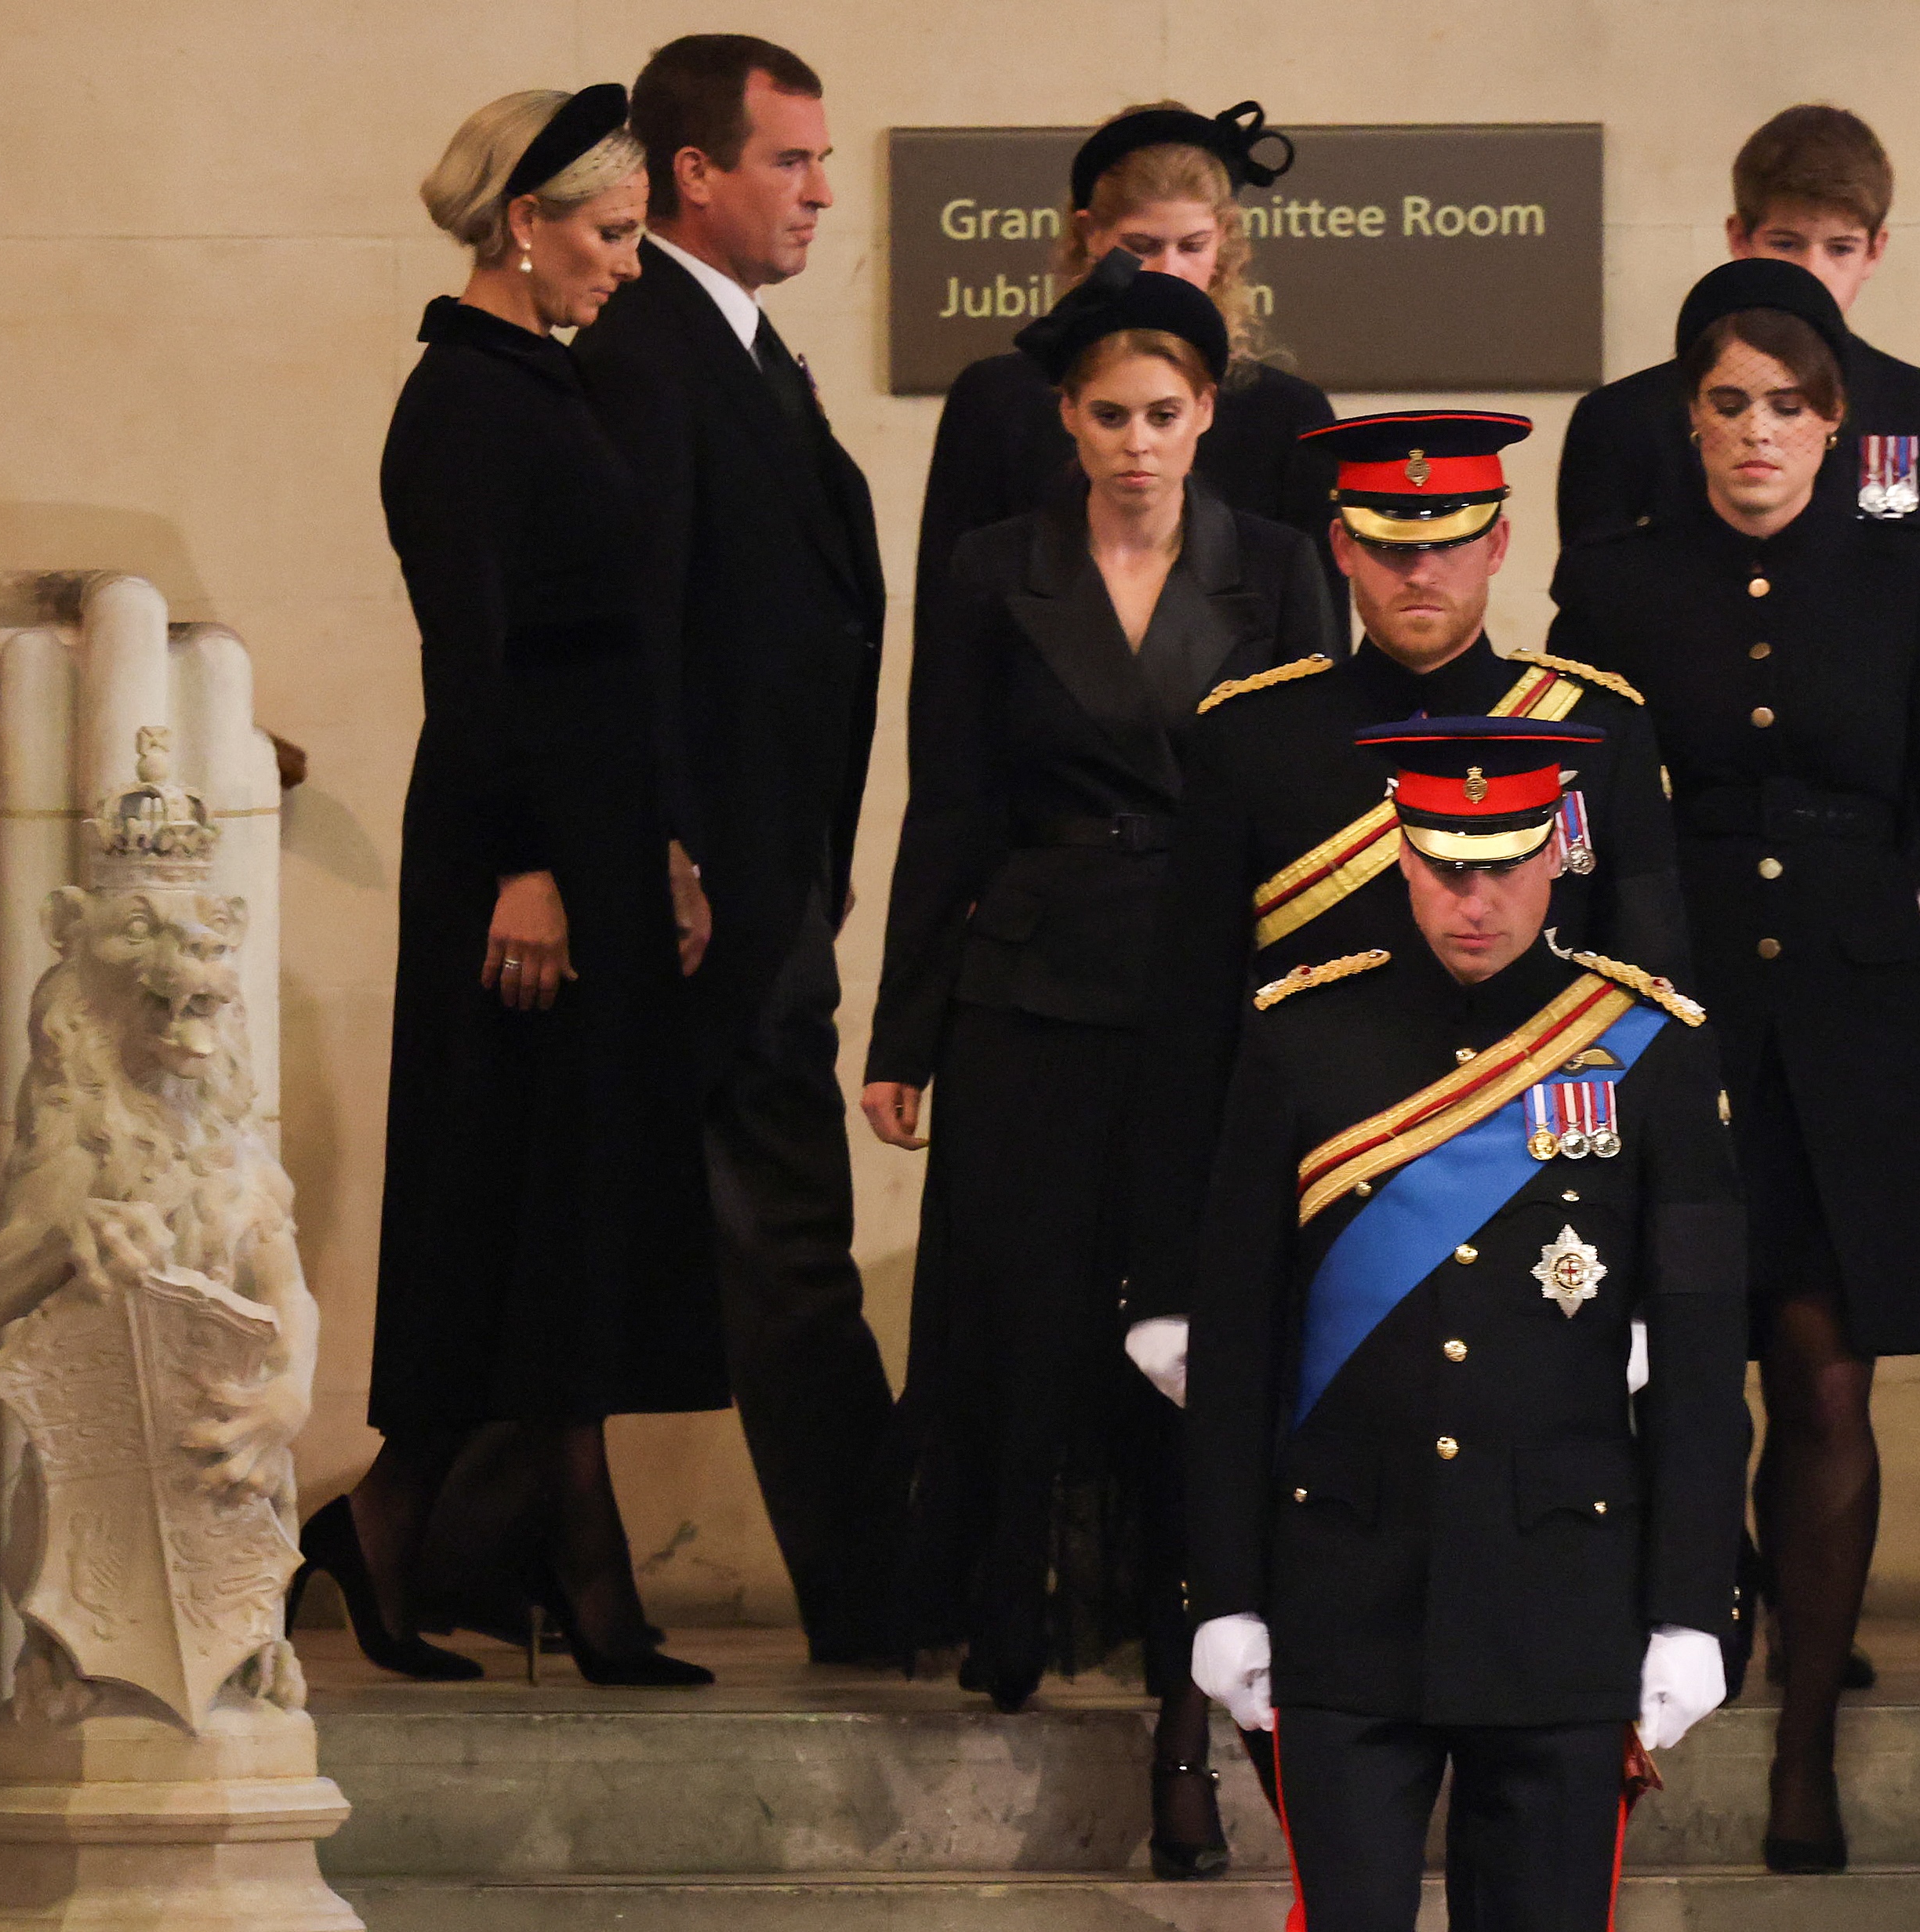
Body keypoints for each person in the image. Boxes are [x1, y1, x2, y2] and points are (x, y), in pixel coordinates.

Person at [857, 256, 1330, 1875]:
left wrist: (1323, 1008)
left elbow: (1313, 805)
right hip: (1034, 984)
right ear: (1065, 417)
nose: (1139, 440)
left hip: (1216, 992)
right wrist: (903, 1029)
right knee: (1026, 1305)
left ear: (1210, 417)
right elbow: (947, 799)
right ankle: (1007, 1615)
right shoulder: (999, 567)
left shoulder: (1274, 566)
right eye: (1111, 413)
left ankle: (1183, 1724)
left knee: (1193, 1338)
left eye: (1168, 413)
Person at [1546, 257, 1920, 1871]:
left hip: (1860, 999)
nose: (1760, 433)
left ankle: (1805, 1746)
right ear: (1691, 424)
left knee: (1823, 1369)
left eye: (1791, 406)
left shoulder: (1905, 573)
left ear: (1835, 425)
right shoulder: (1615, 581)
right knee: (1663, 1359)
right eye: (1731, 405)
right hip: (1667, 1003)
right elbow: (1565, 807)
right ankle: (1672, 1654)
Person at [1185, 716, 1747, 1932]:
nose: (1474, 901)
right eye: (1446, 866)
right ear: (1401, 853)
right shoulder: (1298, 1036)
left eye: (1503, 867)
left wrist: (1694, 1607)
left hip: (1560, 1599)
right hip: (1343, 1589)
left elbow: (1701, 1365)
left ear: (1558, 855)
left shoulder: (1645, 1048)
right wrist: (1223, 1587)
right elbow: (1236, 1343)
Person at [323, 82, 717, 1687]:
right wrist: (533, 865)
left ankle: (535, 1550)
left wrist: (660, 849)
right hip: (518, 853)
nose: (630, 263)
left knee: (566, 1212)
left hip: (592, 844)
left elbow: (606, 654)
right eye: (612, 233)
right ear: (521, 227)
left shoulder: (539, 386)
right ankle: (442, 1532)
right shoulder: (464, 402)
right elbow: (478, 665)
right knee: (508, 1204)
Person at [1123, 411, 1690, 1368]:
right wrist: (1172, 1286)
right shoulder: (1252, 738)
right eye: (1391, 545)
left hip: (1541, 1208)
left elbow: (1647, 1014)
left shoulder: (1598, 730)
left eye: (1451, 540)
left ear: (1499, 543)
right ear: (1342, 546)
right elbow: (1192, 1024)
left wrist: (1644, 1287)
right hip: (1318, 1208)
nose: (1420, 571)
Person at [570, 34, 895, 1664]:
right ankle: (880, 1587)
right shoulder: (647, 345)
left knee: (742, 1232)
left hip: (775, 881)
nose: (825, 191)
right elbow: (635, 627)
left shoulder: (740, 347)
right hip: (715, 897)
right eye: (793, 160)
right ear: (694, 172)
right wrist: (675, 849)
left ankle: (431, 1517)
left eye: (823, 161)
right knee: (778, 1239)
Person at [915, 98, 1340, 638]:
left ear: (1224, 242)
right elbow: (947, 627)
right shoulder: (997, 401)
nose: (1168, 270)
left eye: (1192, 246)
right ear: (1090, 234)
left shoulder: (1289, 416)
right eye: (1142, 246)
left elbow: (1319, 651)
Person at [1554, 103, 1920, 616]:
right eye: (1786, 244)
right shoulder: (1621, 420)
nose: (1812, 272)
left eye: (1841, 248)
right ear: (1739, 238)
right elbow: (1593, 633)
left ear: (1875, 251)